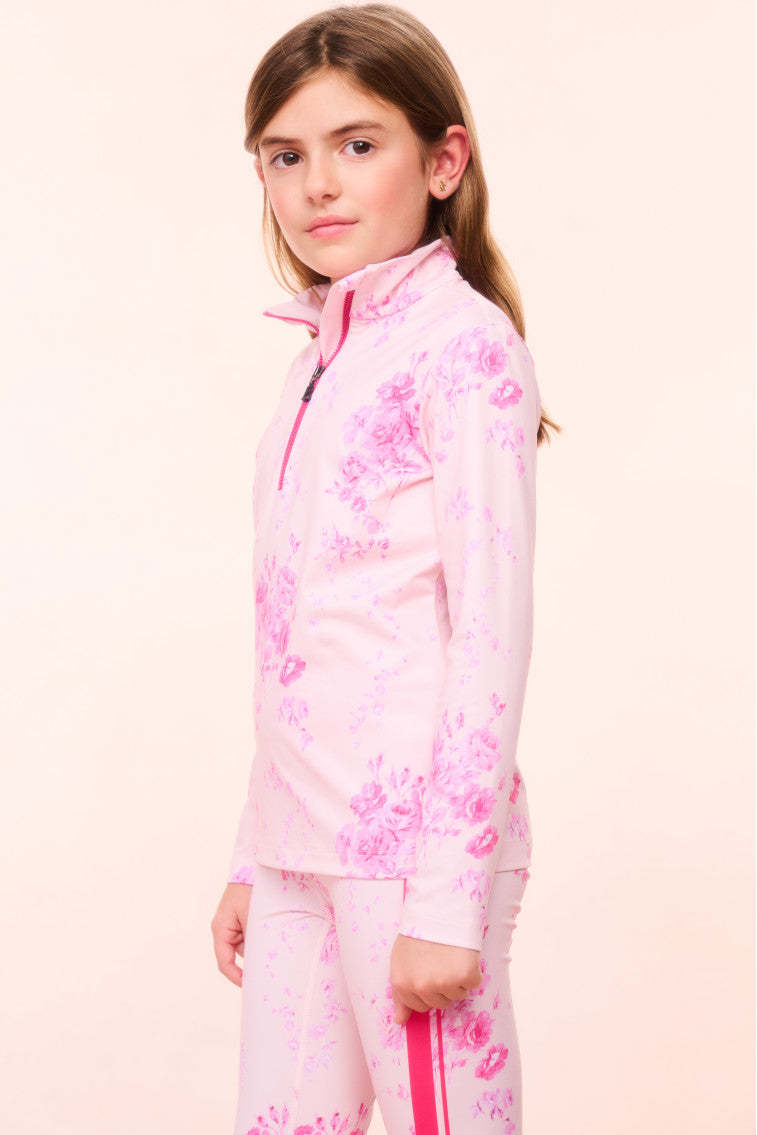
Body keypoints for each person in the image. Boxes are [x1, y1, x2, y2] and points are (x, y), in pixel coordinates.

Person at [210, 5, 561, 1132]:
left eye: (357, 144)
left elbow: (489, 634)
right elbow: (301, 639)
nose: (318, 182)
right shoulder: (318, 361)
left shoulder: (464, 350)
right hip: (299, 848)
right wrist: (255, 853)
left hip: (412, 860)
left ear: (443, 161)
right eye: (286, 155)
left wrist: (446, 901)